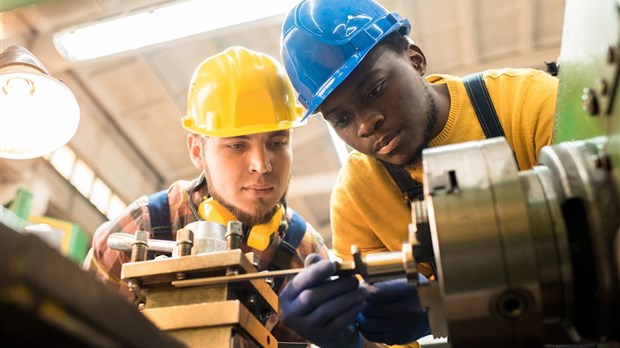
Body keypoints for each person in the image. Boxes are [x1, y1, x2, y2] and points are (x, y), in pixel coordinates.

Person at [277, 0, 558, 347]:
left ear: (415, 59)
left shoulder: (526, 104)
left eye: (375, 89)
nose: (366, 124)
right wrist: (345, 338)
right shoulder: (356, 198)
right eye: (342, 119)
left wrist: (447, 300)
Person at [82, 46, 331, 342]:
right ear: (197, 151)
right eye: (237, 145)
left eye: (277, 143)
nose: (262, 165)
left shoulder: (306, 255)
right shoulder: (138, 230)